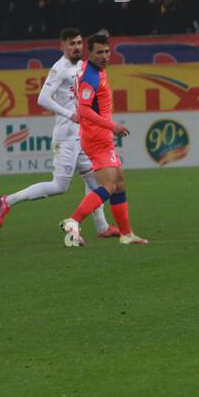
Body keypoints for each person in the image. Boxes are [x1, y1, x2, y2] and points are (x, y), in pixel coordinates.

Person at [0, 28, 114, 238]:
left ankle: (102, 227)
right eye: (71, 43)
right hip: (67, 136)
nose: (76, 47)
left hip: (83, 135)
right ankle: (8, 200)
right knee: (59, 186)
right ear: (63, 46)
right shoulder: (59, 69)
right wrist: (69, 113)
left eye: (79, 43)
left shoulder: (84, 67)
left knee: (95, 182)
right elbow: (42, 98)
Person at [60, 32, 149, 246]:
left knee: (119, 183)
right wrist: (113, 126)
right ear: (90, 53)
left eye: (107, 51)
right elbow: (83, 110)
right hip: (96, 138)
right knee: (108, 186)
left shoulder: (97, 72)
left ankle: (126, 234)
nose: (105, 56)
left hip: (103, 137)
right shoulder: (90, 76)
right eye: (99, 52)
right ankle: (73, 222)